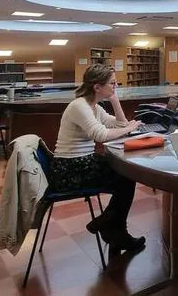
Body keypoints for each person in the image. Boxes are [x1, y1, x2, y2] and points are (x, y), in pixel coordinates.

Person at [51, 64, 146, 254]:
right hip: (69, 169)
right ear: (97, 87)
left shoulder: (94, 107)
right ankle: (111, 226)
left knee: (125, 176)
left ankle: (111, 227)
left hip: (82, 162)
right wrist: (129, 129)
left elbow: (118, 124)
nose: (115, 86)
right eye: (112, 83)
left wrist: (115, 99)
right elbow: (100, 135)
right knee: (126, 177)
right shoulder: (79, 106)